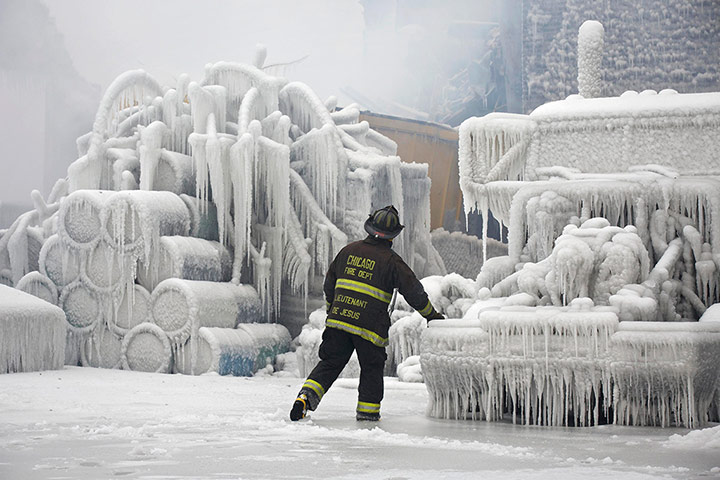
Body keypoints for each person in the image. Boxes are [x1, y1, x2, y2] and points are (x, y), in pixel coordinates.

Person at [290, 205, 444, 422]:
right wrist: (432, 316)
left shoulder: (348, 251)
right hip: (369, 327)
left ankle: (305, 397)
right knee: (371, 368)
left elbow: (329, 285)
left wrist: (333, 311)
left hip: (339, 321)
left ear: (370, 229)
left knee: (330, 363)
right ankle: (368, 416)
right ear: (392, 236)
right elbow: (414, 293)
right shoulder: (392, 262)